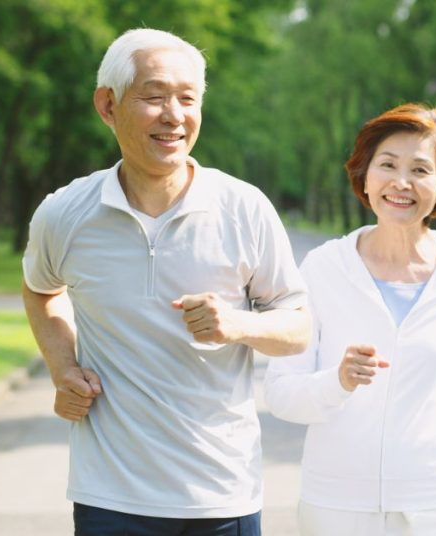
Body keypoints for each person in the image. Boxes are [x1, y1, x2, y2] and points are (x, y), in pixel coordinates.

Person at [22, 28, 311, 535]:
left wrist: (236, 324)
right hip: (109, 495)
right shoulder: (65, 214)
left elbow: (300, 328)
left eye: (187, 98)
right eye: (153, 97)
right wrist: (62, 367)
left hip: (222, 493)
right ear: (107, 106)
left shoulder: (244, 208)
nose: (174, 115)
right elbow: (41, 290)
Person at [264, 103, 436, 536]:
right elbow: (281, 392)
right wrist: (339, 381)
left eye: (421, 170)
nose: (401, 183)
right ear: (365, 178)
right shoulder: (323, 268)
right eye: (387, 165)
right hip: (336, 504)